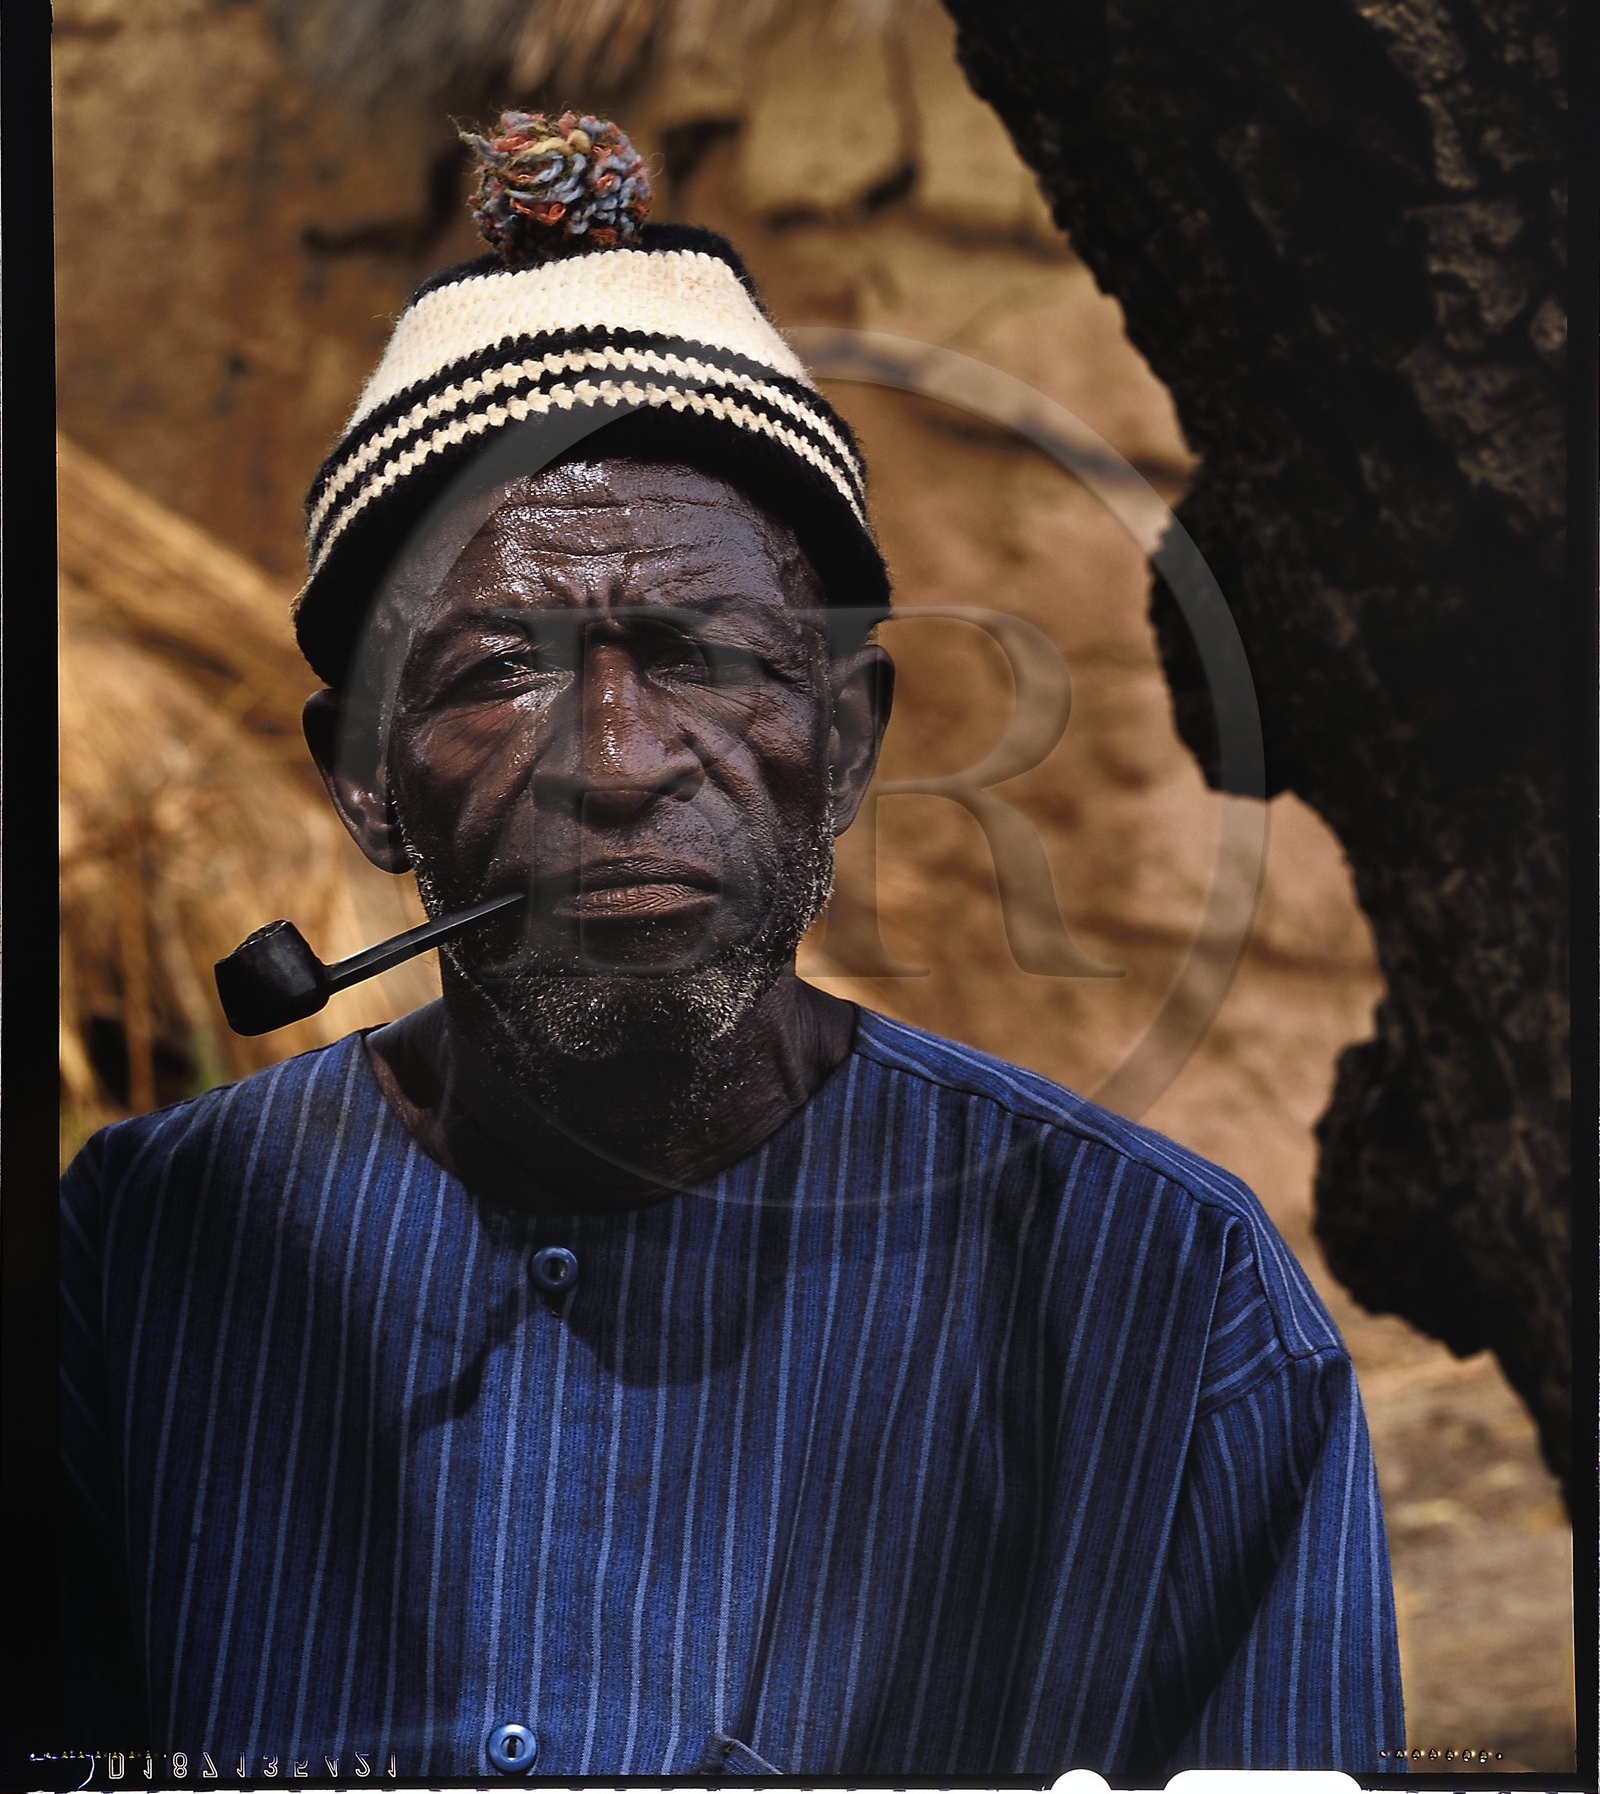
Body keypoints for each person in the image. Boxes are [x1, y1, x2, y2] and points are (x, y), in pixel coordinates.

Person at [60, 113, 1404, 1782]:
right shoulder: (126, 1268)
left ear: (842, 743)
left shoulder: (1168, 1305)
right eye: (501, 673)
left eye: (702, 655)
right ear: (364, 780)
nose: (619, 763)